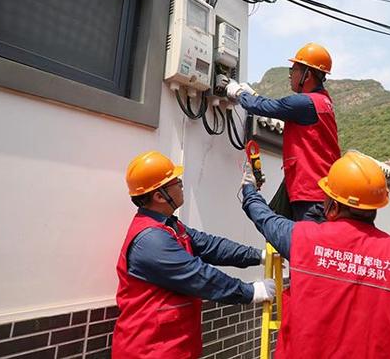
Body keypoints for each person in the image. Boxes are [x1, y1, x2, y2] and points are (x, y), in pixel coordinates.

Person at [240, 151, 390, 358]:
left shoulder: (302, 239)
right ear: (376, 207)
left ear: (333, 206)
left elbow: (266, 220)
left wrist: (249, 190)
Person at [112, 151, 276, 359]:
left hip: (171, 344)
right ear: (159, 196)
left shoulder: (170, 225)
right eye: (175, 181)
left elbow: (210, 246)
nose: (181, 184)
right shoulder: (151, 240)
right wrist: (249, 292)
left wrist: (257, 255)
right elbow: (198, 276)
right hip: (150, 349)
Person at [225, 42, 340, 223]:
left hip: (310, 194)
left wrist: (238, 93)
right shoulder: (322, 102)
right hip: (315, 189)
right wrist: (253, 95)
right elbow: (277, 107)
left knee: (302, 244)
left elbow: (268, 107)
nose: (290, 75)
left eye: (293, 70)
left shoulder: (305, 103)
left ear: (307, 74)